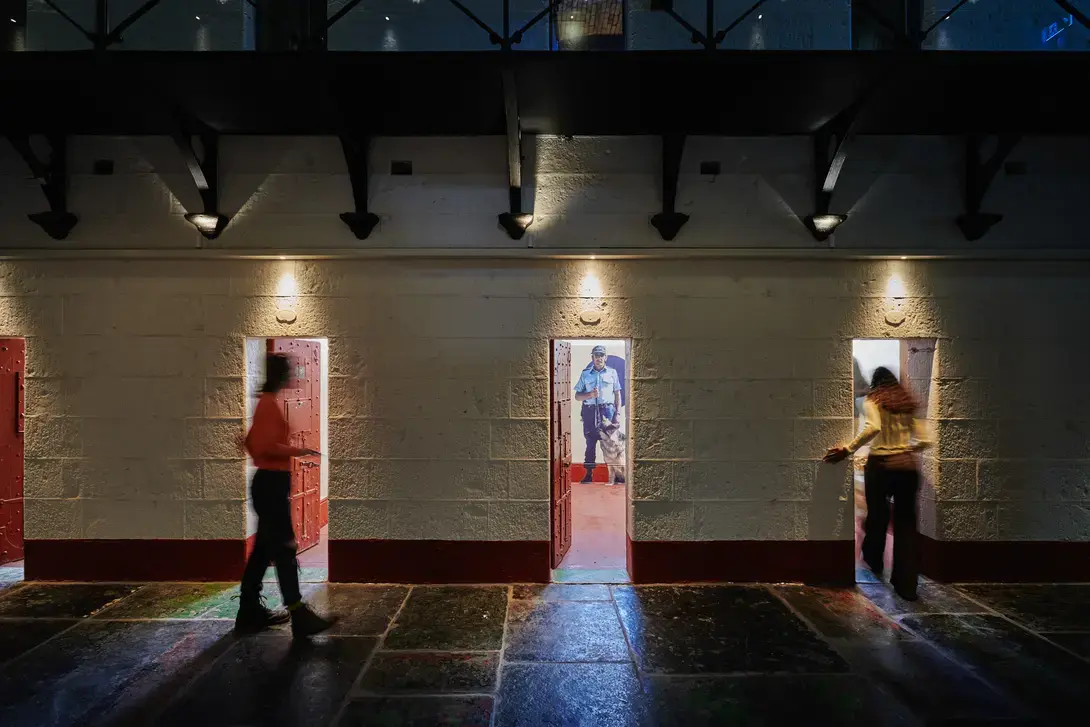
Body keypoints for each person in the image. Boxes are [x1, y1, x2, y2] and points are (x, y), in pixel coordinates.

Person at [235, 353, 336, 637]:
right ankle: (298, 613)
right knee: (285, 548)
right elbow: (260, 444)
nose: (294, 376)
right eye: (290, 371)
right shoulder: (268, 403)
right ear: (280, 374)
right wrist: (298, 451)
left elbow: (249, 442)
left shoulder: (267, 402)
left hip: (270, 482)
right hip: (271, 484)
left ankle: (249, 611)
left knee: (264, 550)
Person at [824, 366, 932, 601]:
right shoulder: (907, 403)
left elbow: (873, 427)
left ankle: (873, 561)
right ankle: (906, 584)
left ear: (875, 384)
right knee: (905, 524)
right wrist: (905, 449)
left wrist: (849, 449)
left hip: (881, 465)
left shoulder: (872, 400)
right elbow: (925, 440)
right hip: (907, 467)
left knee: (877, 515)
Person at [574, 344, 624, 484]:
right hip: (590, 411)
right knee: (590, 443)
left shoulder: (612, 373)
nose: (599, 358)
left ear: (605, 357)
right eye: (596, 355)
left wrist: (618, 413)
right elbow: (577, 396)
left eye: (601, 355)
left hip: (607, 411)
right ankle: (589, 474)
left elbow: (617, 394)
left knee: (611, 444)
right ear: (593, 357)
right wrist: (590, 394)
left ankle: (618, 475)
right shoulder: (585, 374)